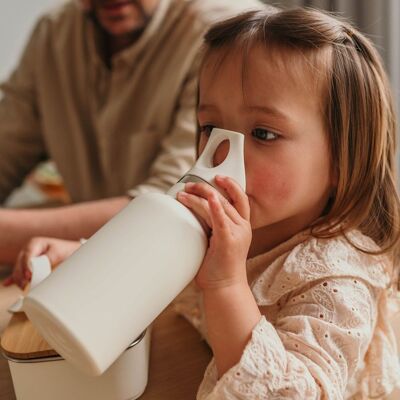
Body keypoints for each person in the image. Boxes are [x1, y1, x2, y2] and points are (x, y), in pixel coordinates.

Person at [10, 6, 400, 399]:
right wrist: (82, 253)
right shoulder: (221, 220)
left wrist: (227, 284)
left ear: (342, 159)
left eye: (263, 133)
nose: (219, 156)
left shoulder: (335, 282)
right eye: (210, 128)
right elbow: (157, 263)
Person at [0, 0, 261, 270]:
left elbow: (178, 205)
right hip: (87, 264)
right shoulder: (54, 31)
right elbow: (7, 148)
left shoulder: (227, 34)